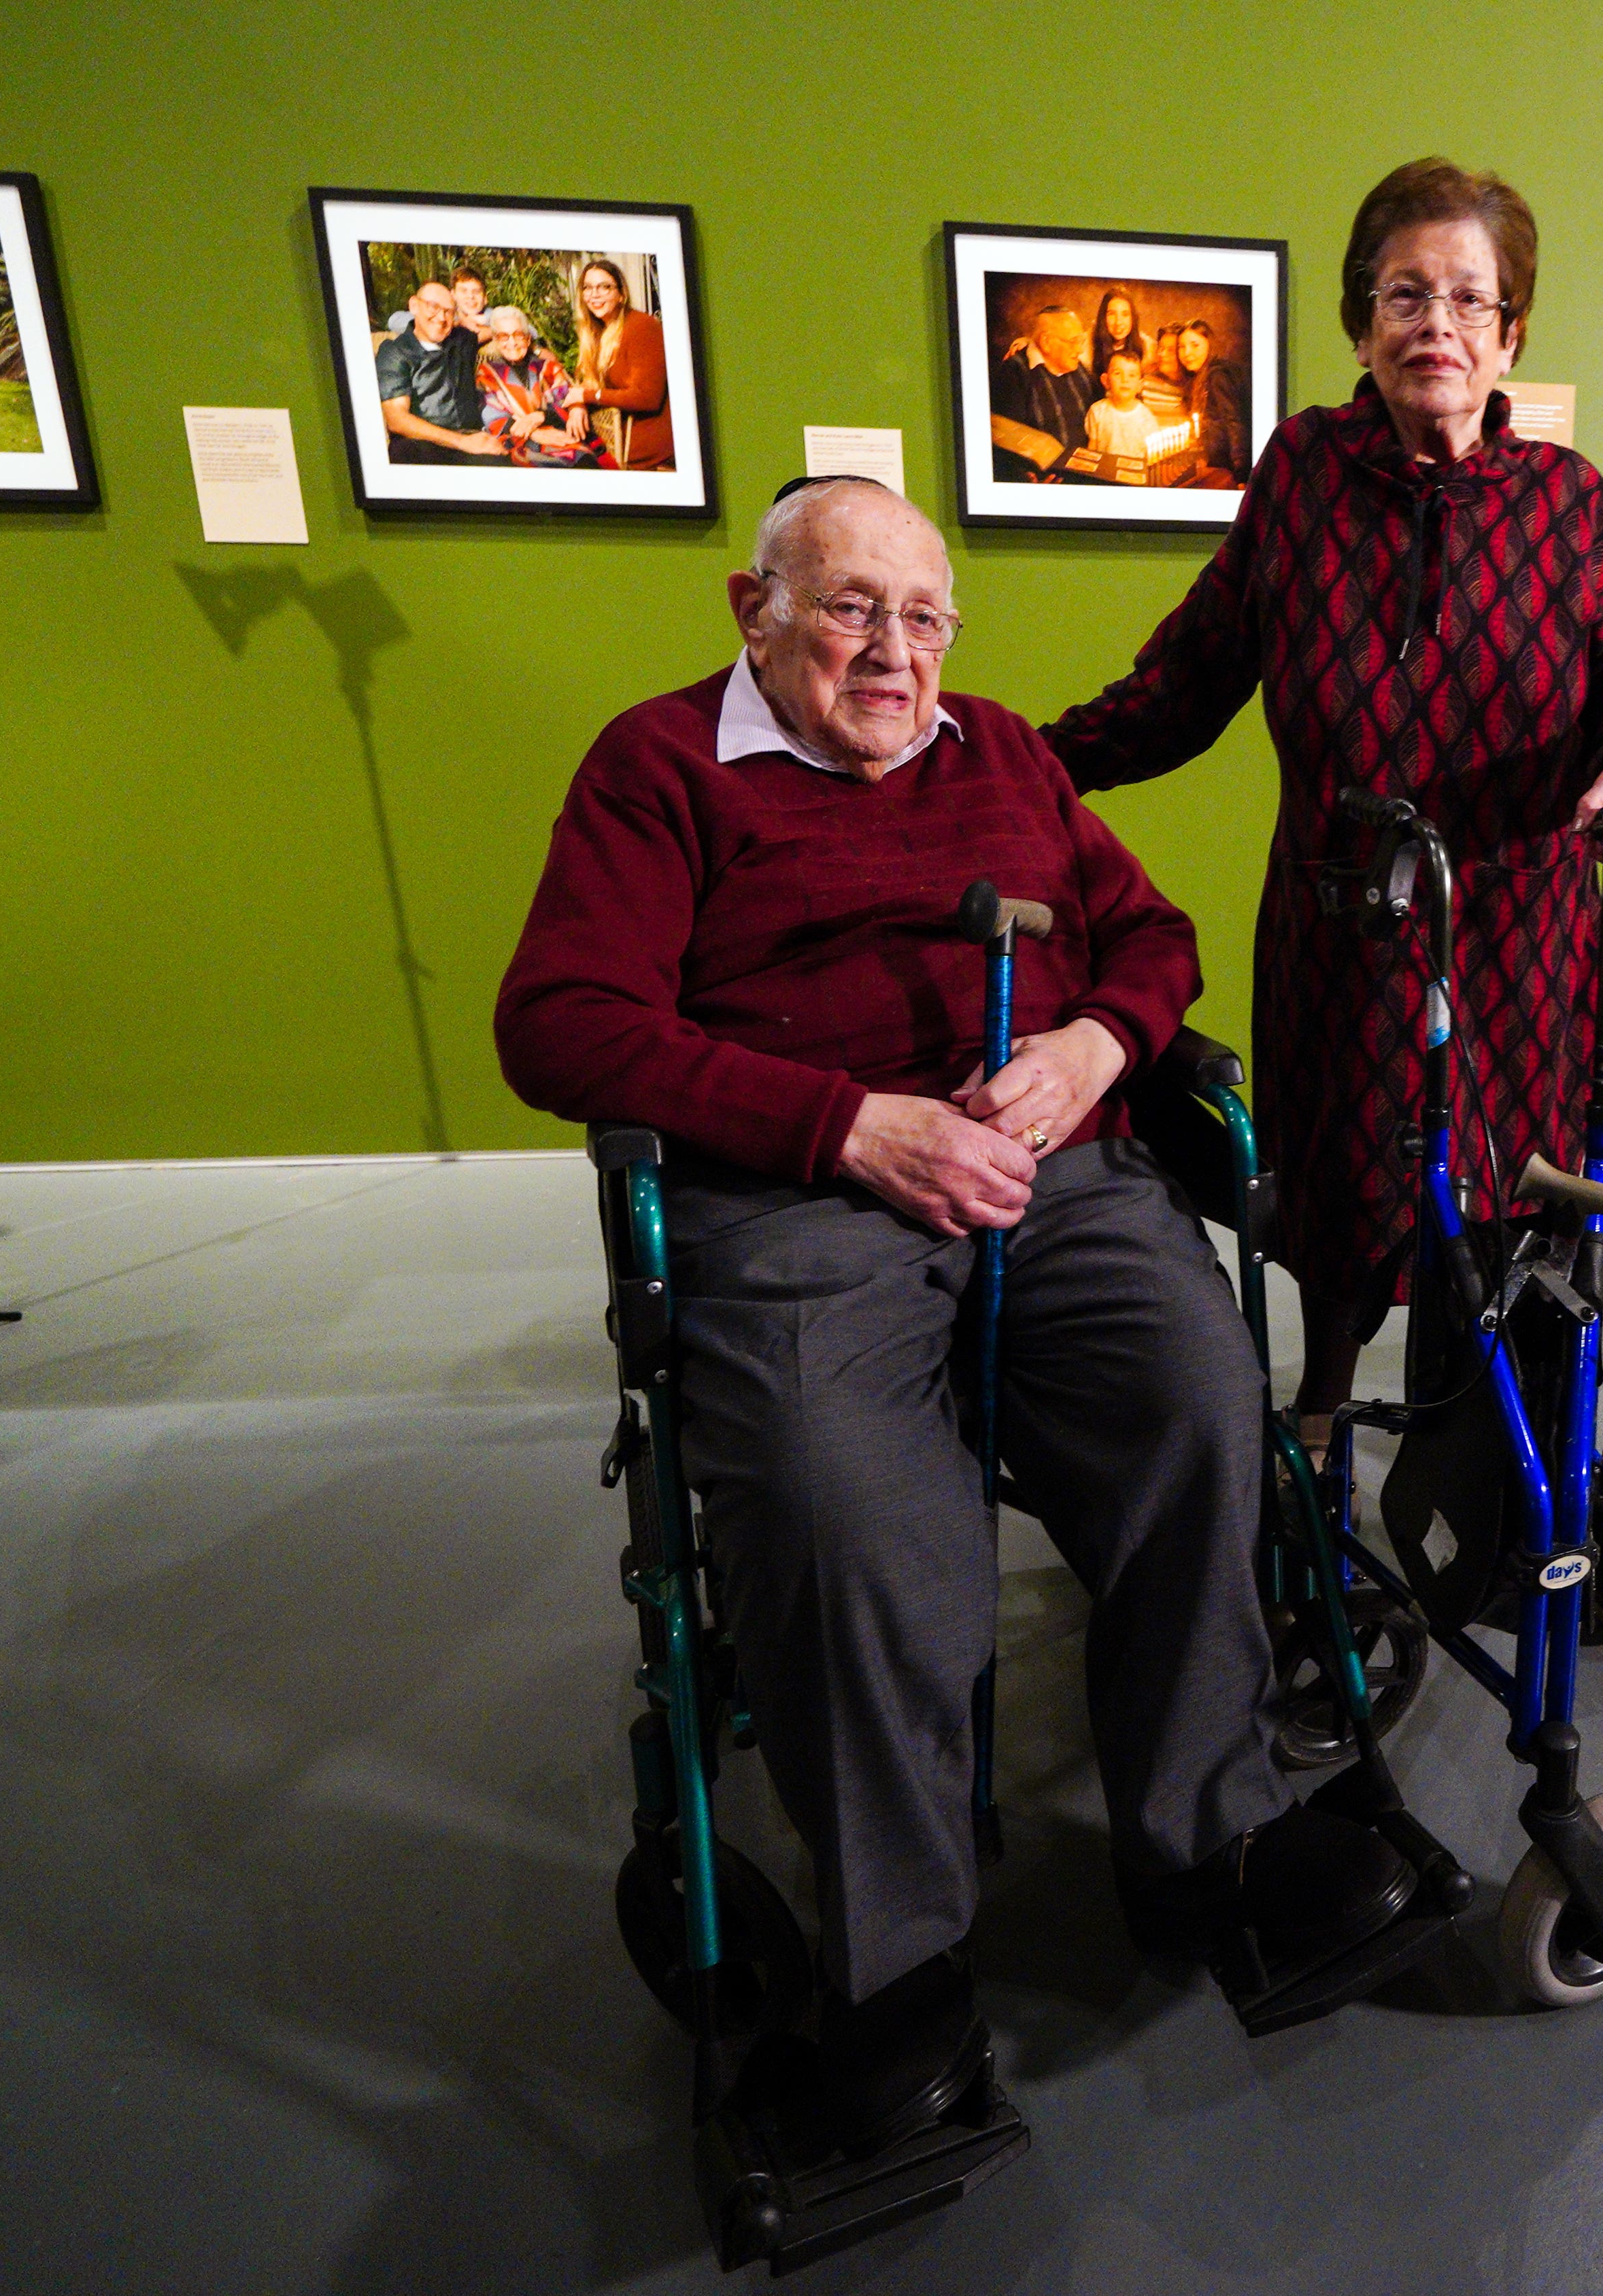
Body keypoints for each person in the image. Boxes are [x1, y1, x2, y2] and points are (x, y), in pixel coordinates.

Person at [494, 475, 1423, 2158]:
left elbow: (1148, 934)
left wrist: (1093, 1051)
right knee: (853, 1512)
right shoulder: (660, 770)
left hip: (1042, 1172)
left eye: (923, 618)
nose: (893, 652)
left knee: (1197, 1403)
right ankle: (900, 1962)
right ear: (752, 607)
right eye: (851, 607)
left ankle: (1202, 1833)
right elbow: (559, 1020)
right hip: (798, 1202)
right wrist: (844, 1123)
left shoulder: (1004, 755)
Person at [1045, 158, 1603, 1439]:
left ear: (1511, 335)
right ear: (1360, 322)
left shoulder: (1570, 506)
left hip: (1519, 938)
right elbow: (1187, 679)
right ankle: (1324, 1424)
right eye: (1405, 295)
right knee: (1338, 1209)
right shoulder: (1302, 476)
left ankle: (1475, 1458)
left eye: (1469, 299)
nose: (1435, 326)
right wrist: (1024, 758)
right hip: (1342, 933)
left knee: (1501, 1208)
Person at [566, 256, 673, 471]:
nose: (594, 294)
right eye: (588, 288)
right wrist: (578, 405)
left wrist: (586, 397)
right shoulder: (598, 332)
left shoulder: (642, 327)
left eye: (604, 287)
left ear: (621, 295)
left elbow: (647, 397)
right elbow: (589, 385)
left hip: (645, 451)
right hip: (613, 439)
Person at [375, 281, 501, 463]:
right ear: (414, 306)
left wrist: (536, 350)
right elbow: (397, 419)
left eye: (449, 311)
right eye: (433, 307)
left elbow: (504, 329)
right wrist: (461, 442)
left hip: (472, 440)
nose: (441, 318)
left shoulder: (461, 340)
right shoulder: (395, 351)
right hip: (420, 444)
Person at [475, 307, 601, 466]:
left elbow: (566, 401)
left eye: (519, 335)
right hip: (513, 443)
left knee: (582, 459)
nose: (512, 343)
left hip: (557, 435)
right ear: (496, 340)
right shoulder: (487, 373)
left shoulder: (548, 367)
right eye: (504, 336)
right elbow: (492, 417)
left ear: (528, 339)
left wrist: (541, 417)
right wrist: (534, 433)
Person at [988, 303, 1096, 479]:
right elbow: (1003, 444)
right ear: (1046, 342)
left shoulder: (1079, 369)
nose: (1080, 349)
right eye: (1074, 341)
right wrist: (1024, 479)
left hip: (1084, 476)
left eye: (1081, 340)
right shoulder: (1015, 374)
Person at [1170, 319, 1249, 483]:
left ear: (1209, 345)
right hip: (1213, 465)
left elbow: (1234, 424)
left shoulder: (1217, 377)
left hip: (1228, 471)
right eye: (1182, 347)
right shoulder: (1196, 380)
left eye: (1195, 345)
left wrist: (1242, 474)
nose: (1187, 353)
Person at [1085, 349, 1162, 462]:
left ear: (1140, 385)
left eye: (1132, 375)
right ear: (1106, 381)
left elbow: (1154, 453)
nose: (1125, 380)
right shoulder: (1097, 411)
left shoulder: (1146, 417)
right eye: (1118, 373)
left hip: (1134, 475)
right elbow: (1092, 446)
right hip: (1104, 472)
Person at [1086, 290, 1147, 398]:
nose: (1118, 322)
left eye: (1125, 314)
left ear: (1133, 318)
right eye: (1111, 314)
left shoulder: (1144, 345)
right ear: (1103, 317)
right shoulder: (1089, 344)